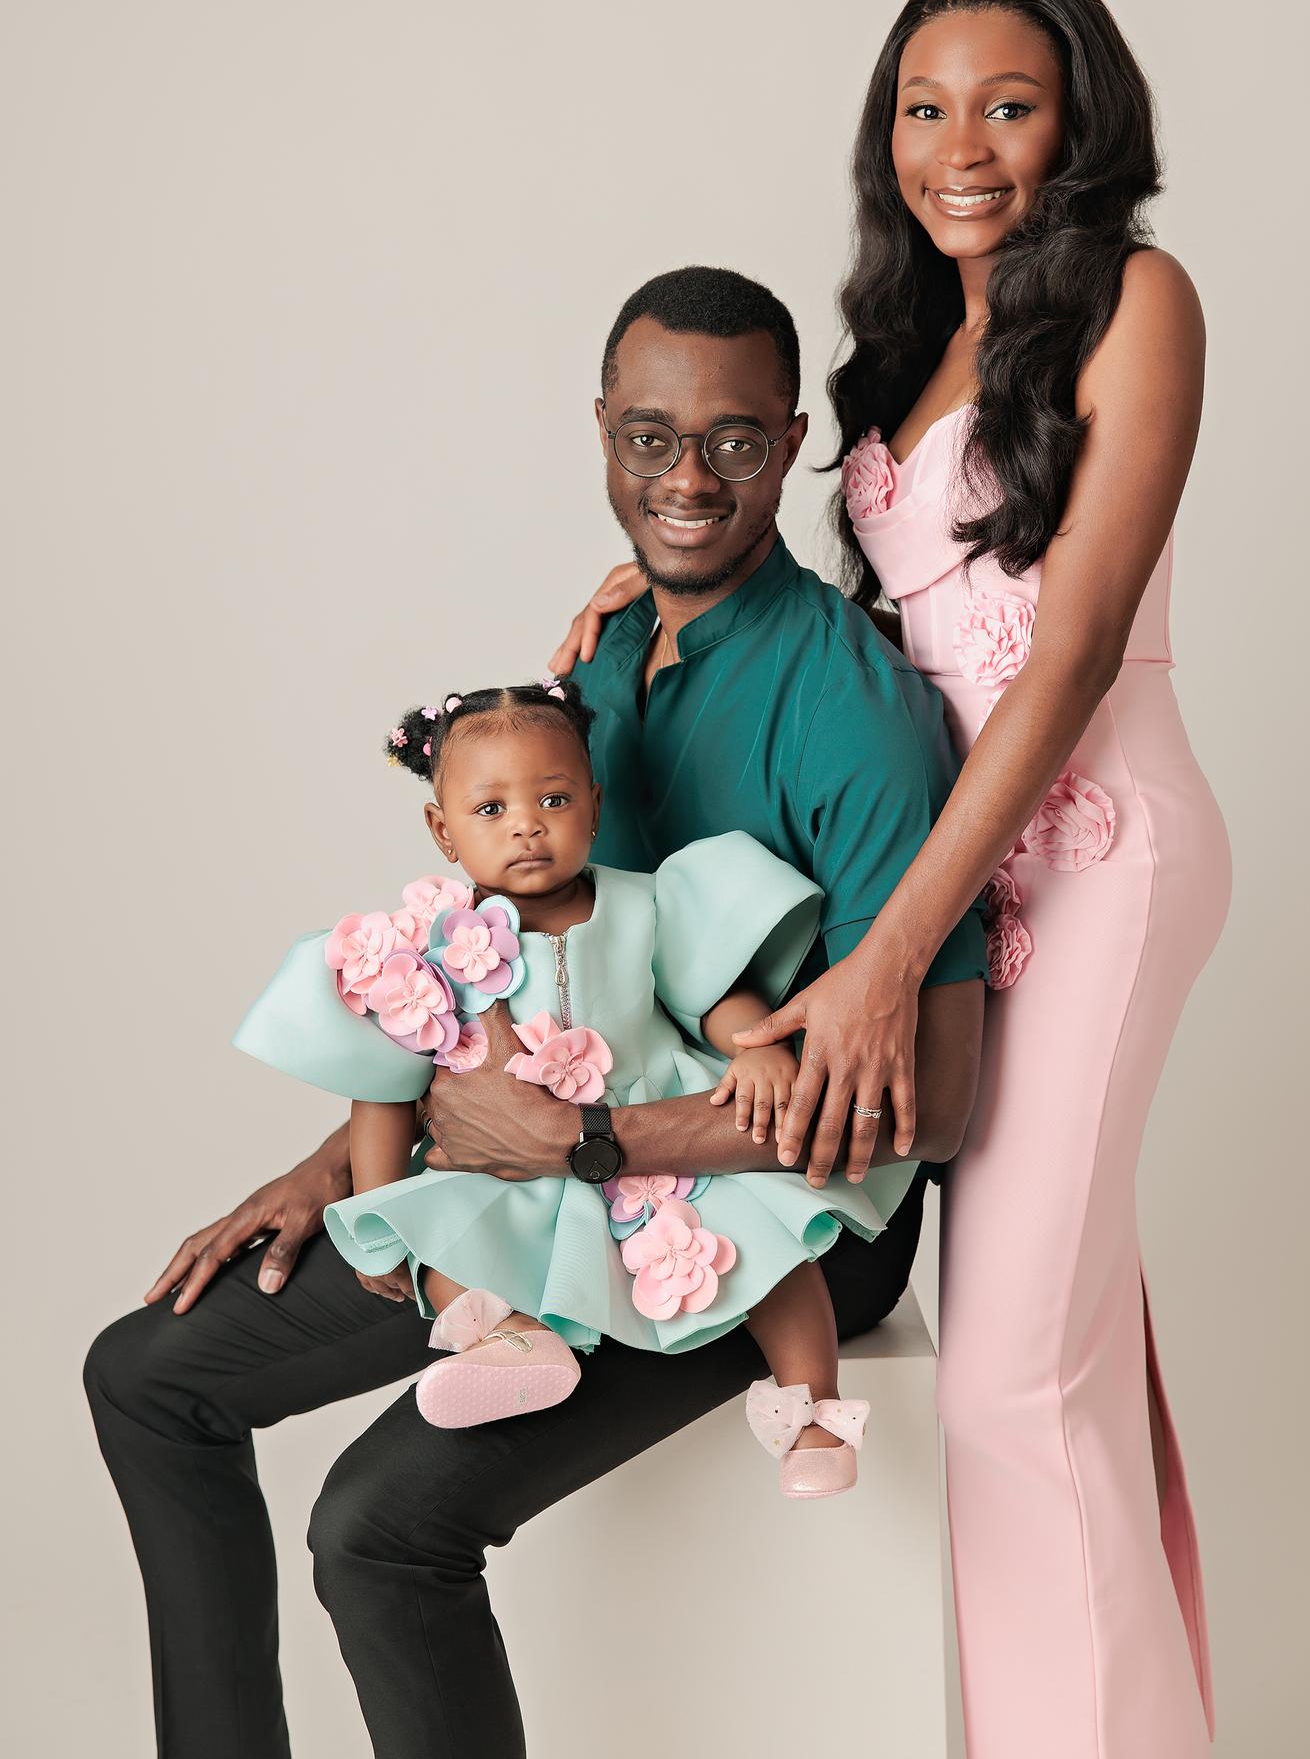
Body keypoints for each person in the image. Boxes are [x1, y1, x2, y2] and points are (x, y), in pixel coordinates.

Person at [84, 265, 985, 1759]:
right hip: (539, 1168)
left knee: (377, 1529)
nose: (685, 480)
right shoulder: (602, 659)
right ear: (602, 430)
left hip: (769, 1215)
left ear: (790, 440)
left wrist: (589, 1143)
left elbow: (930, 1106)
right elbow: (536, 960)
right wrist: (334, 1168)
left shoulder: (855, 711)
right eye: (648, 437)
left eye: (733, 441)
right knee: (146, 1375)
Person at [556, 0, 1229, 1759]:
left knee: (1015, 1380)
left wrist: (881, 958)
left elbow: (1068, 653)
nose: (961, 147)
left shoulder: (1135, 298)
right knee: (1054, 1364)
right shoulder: (903, 343)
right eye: (924, 110)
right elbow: (891, 637)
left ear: (1079, 121)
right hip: (950, 874)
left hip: (1088, 858)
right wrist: (663, 594)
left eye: (1008, 106)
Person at [239, 675, 902, 1495]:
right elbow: (385, 1089)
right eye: (490, 809)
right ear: (442, 832)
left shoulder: (647, 904)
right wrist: (377, 1212)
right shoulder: (422, 952)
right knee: (442, 1242)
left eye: (552, 800)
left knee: (768, 1252)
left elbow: (712, 992)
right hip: (507, 1165)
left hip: (655, 1135)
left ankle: (813, 1416)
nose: (526, 825)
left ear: (593, 806)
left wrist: (755, 1046)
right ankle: (513, 1341)